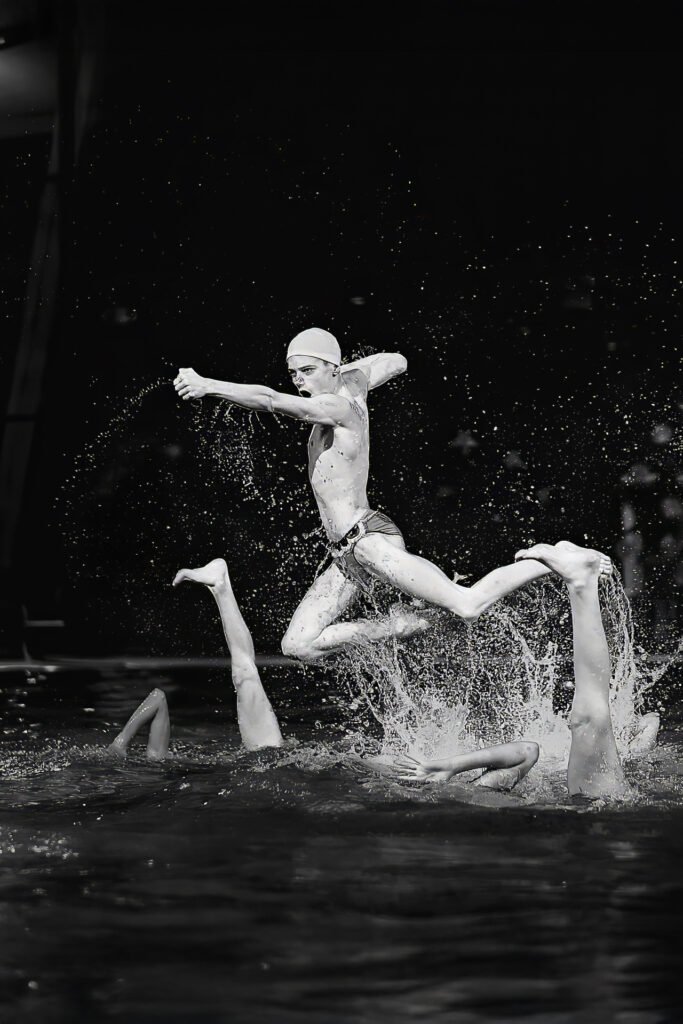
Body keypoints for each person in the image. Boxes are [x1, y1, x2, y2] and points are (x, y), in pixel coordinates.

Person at [173, 327, 555, 663]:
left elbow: (271, 400)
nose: (300, 382)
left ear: (332, 369)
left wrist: (210, 385)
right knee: (298, 645)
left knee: (467, 604)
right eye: (293, 373)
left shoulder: (336, 406)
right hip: (346, 557)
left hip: (370, 542)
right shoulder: (353, 384)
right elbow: (397, 361)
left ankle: (553, 559)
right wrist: (348, 370)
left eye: (308, 371)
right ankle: (406, 625)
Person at [396, 541, 660, 799]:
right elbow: (651, 721)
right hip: (599, 806)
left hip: (594, 806)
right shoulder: (480, 797)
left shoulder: (475, 795)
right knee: (590, 717)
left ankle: (581, 582)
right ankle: (581, 582)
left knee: (589, 717)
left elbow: (527, 750)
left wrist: (450, 767)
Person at [108, 557, 283, 760]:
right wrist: (120, 741)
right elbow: (158, 696)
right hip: (262, 758)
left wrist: (121, 742)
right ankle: (221, 586)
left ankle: (221, 585)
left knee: (245, 671)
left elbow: (158, 697)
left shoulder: (155, 764)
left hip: (260, 758)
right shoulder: (155, 761)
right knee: (245, 672)